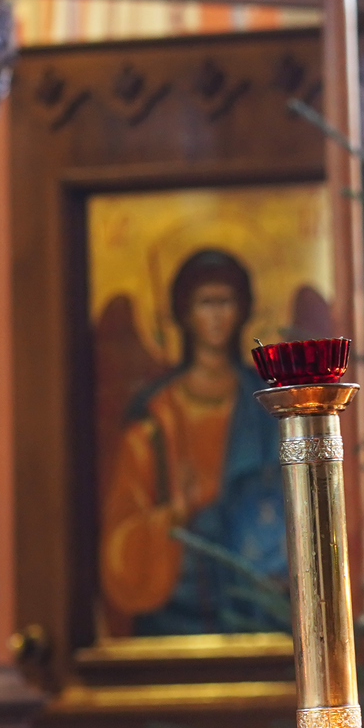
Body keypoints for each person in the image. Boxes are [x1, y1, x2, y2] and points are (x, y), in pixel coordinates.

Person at [100, 249, 286, 636]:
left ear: (243, 310)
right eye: (206, 303)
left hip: (254, 601)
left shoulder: (267, 403)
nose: (217, 316)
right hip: (176, 603)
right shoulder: (155, 416)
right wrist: (171, 515)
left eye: (226, 302)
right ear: (185, 313)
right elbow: (122, 530)